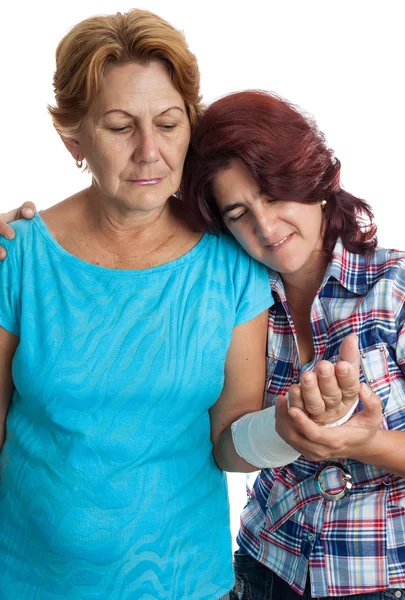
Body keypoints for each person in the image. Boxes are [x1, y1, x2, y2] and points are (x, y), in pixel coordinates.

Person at [0, 10, 363, 600]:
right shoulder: (17, 257)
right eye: (119, 126)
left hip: (187, 584)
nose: (150, 152)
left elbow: (228, 442)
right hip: (23, 580)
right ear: (74, 139)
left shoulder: (231, 264)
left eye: (168, 124)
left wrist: (291, 427)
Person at [181, 90, 405, 599]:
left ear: (317, 179)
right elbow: (227, 449)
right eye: (238, 213)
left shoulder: (394, 286)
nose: (265, 226)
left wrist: (360, 441)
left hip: (382, 579)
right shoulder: (237, 299)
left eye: (274, 194)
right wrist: (283, 429)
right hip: (264, 570)